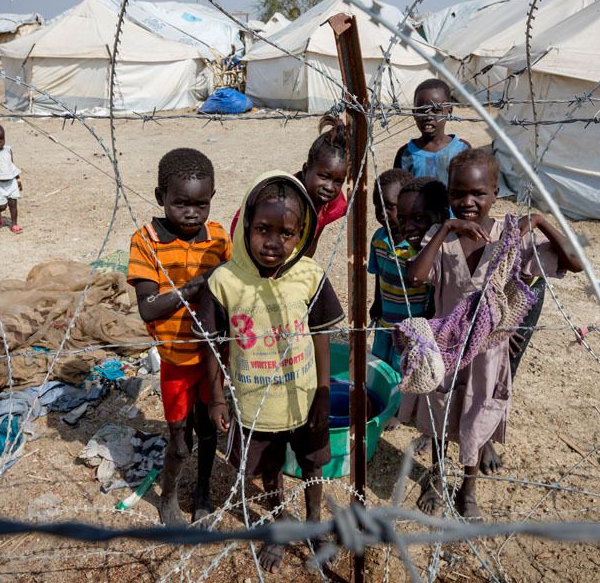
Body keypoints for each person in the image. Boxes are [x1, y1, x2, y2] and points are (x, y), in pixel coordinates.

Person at [404, 148, 584, 518]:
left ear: (495, 193)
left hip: (488, 353)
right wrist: (447, 228)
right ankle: (438, 476)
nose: (467, 202)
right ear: (449, 194)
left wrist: (537, 221)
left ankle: (468, 490)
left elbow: (576, 263)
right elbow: (417, 277)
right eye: (458, 194)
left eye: (477, 194)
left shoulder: (510, 235)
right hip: (447, 349)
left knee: (478, 418)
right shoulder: (444, 238)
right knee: (441, 415)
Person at [195, 171, 344, 573]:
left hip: (305, 396)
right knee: (269, 469)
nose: (274, 242)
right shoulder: (225, 281)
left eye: (287, 233)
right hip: (255, 403)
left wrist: (325, 391)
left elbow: (321, 336)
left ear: (302, 234)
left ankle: (315, 525)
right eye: (263, 229)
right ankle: (279, 522)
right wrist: (217, 398)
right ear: (246, 225)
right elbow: (213, 346)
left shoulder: (308, 276)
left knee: (313, 464)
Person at [126, 148, 231, 526]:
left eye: (200, 204)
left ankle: (202, 491)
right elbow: (148, 307)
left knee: (207, 432)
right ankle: (169, 495)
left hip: (212, 357)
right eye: (180, 203)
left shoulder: (218, 238)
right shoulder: (147, 241)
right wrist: (191, 288)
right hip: (175, 360)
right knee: (179, 439)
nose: (191, 213)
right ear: (160, 198)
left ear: (211, 200)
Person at [230, 116, 349, 256]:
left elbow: (311, 240)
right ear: (306, 169)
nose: (330, 187)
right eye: (323, 176)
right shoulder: (283, 201)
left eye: (338, 181)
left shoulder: (330, 203)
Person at [368, 169, 430, 372]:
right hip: (385, 322)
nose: (382, 213)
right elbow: (378, 274)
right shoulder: (379, 238)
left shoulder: (419, 245)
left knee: (405, 371)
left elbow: (430, 286)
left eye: (390, 207)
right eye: (377, 206)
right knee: (379, 368)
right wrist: (377, 303)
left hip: (412, 329)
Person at [393, 79, 471, 185]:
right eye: (422, 110)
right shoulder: (406, 154)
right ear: (414, 113)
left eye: (436, 110)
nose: (428, 116)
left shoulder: (462, 150)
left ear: (449, 111)